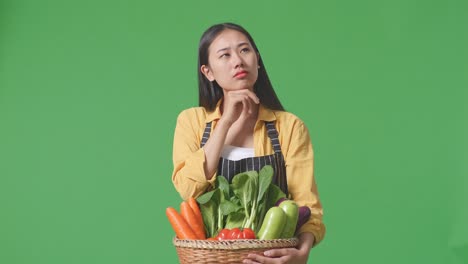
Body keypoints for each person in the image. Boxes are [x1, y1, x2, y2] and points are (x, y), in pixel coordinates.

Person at [171, 22, 325, 264]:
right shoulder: (192, 121)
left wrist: (301, 253)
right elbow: (188, 190)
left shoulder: (290, 127)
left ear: (258, 60)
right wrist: (225, 123)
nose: (238, 61)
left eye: (245, 50)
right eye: (225, 55)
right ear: (208, 72)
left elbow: (307, 206)